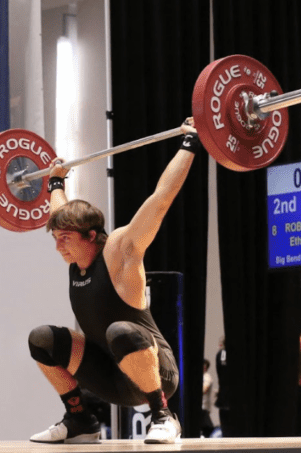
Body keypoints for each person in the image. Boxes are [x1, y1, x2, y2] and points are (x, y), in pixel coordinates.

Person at [27, 118, 198, 445]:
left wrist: (189, 143)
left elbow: (161, 199)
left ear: (91, 236)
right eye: (57, 238)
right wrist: (56, 182)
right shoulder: (77, 257)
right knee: (43, 339)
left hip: (156, 371)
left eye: (64, 238)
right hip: (111, 377)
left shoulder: (121, 252)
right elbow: (60, 213)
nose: (58, 244)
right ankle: (80, 420)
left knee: (120, 330)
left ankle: (163, 416)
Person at [201, 358, 215, 437]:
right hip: (201, 408)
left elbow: (204, 389)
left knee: (207, 429)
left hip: (204, 407)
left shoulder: (206, 377)